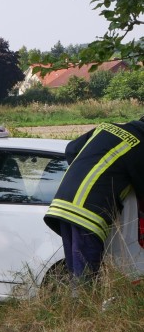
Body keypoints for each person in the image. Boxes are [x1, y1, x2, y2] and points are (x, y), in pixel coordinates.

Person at [44, 117, 144, 278]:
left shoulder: (105, 128)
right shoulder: (139, 144)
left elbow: (71, 150)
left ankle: (79, 301)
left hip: (62, 202)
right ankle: (83, 302)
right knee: (86, 275)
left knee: (76, 270)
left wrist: (88, 169)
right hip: (87, 213)